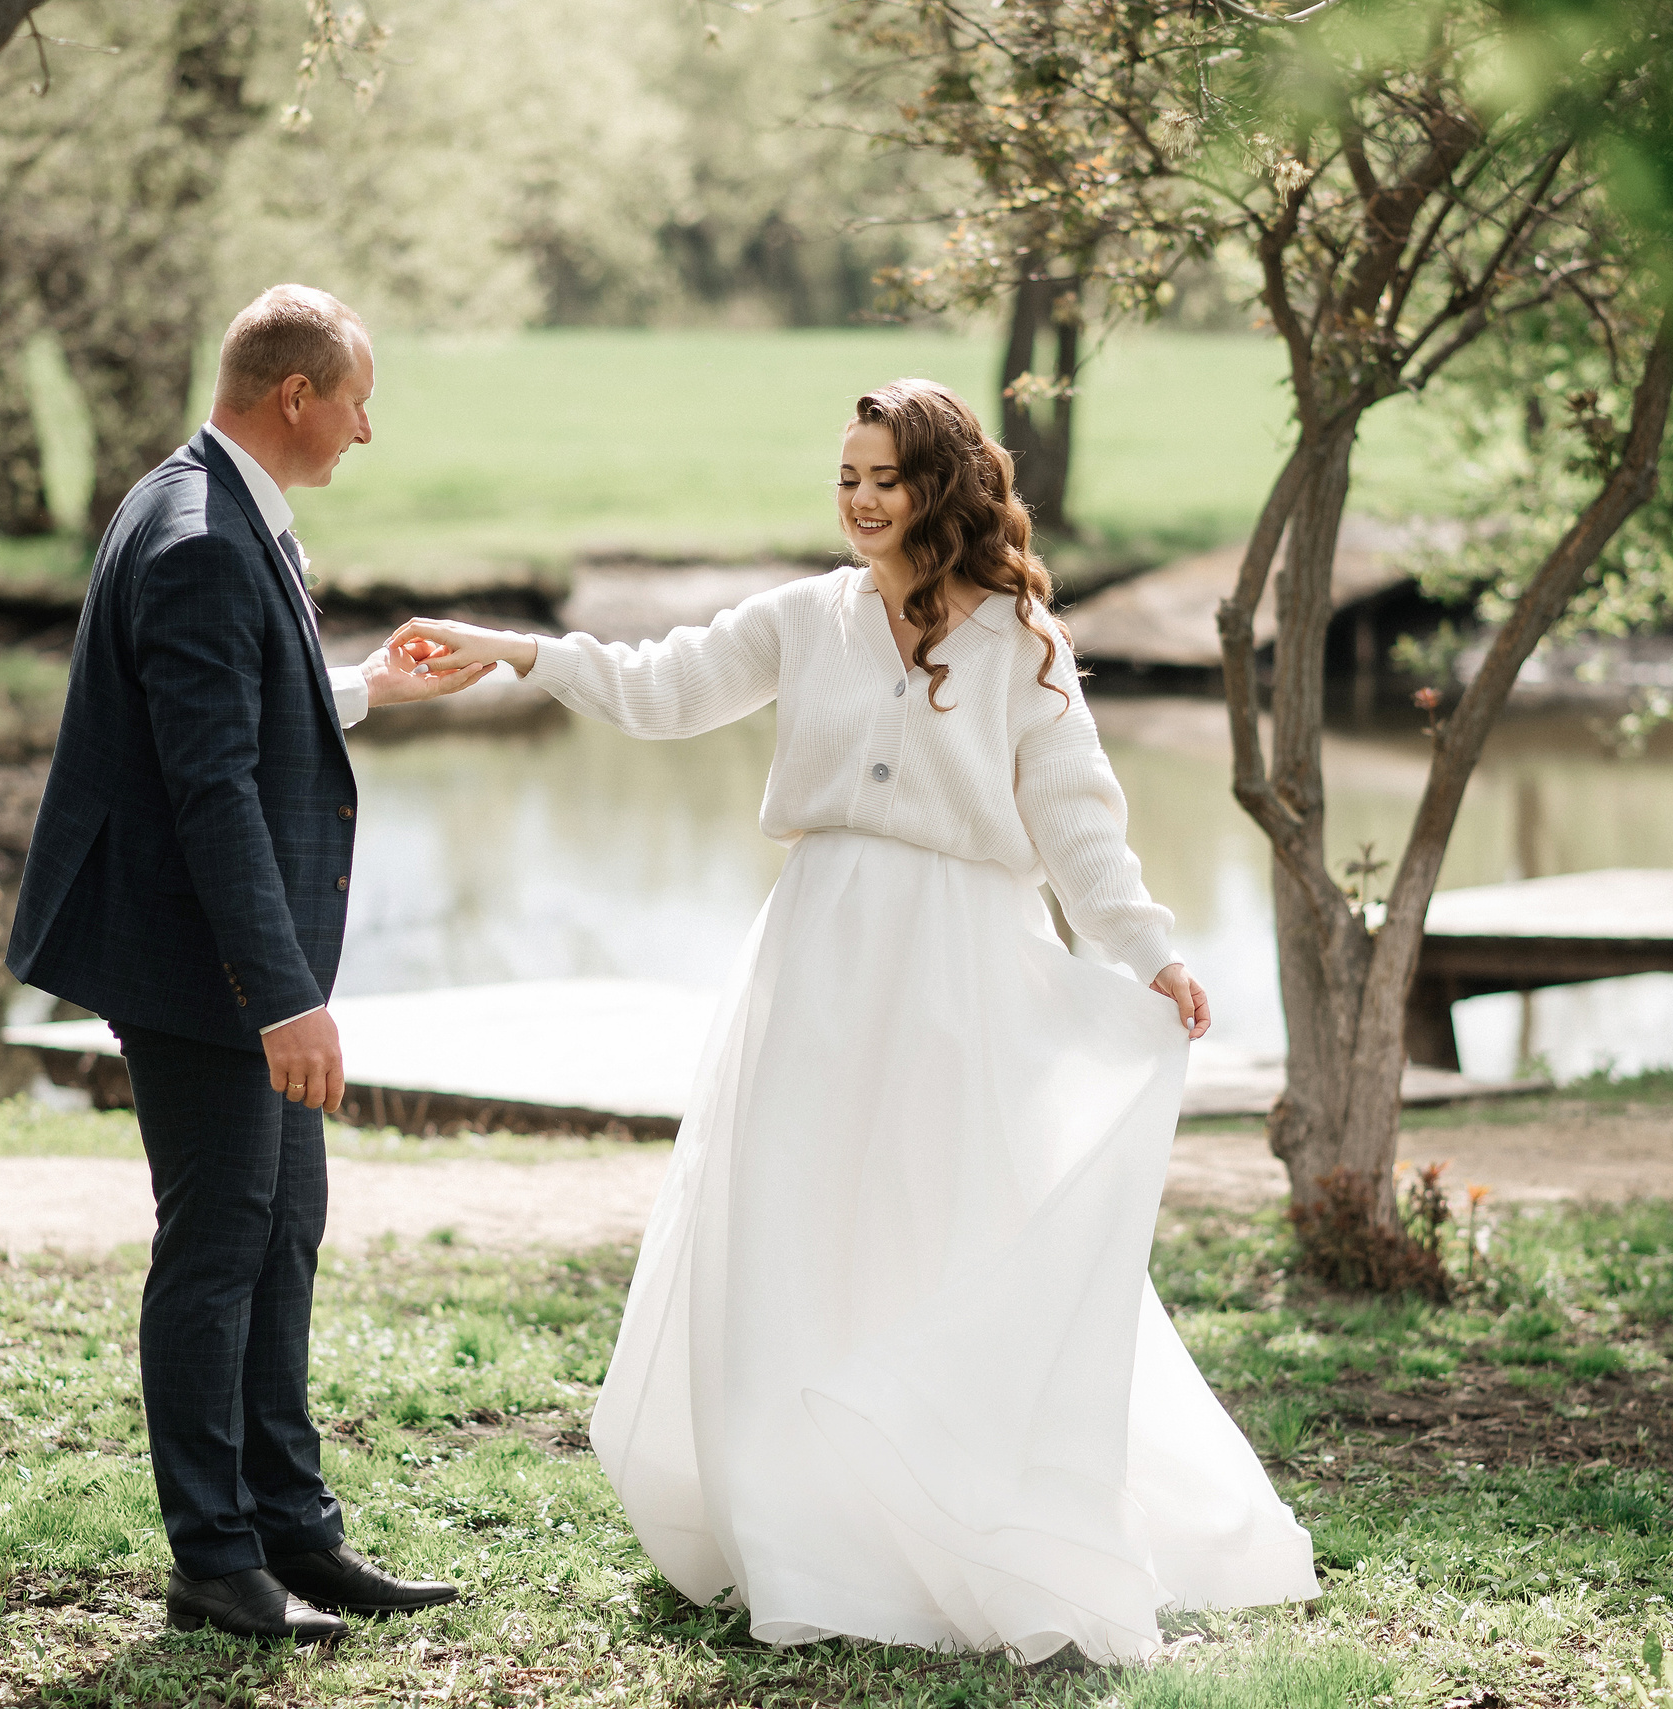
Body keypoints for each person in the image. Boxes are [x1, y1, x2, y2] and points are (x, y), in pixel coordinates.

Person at [388, 378, 1319, 1663]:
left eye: (884, 478)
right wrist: (515, 650)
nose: (861, 500)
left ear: (938, 490)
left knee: (945, 1209)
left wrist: (1148, 950)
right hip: (819, 952)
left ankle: (954, 1505)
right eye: (846, 478)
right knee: (795, 1217)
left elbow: (1075, 813)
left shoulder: (1014, 639)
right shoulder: (803, 617)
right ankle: (801, 1520)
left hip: (962, 961)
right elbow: (661, 686)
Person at [6, 285, 489, 1648]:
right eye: (356, 400)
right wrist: (282, 992)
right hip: (202, 965)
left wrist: (369, 690)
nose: (366, 429)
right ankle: (215, 1563)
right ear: (295, 397)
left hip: (213, 954)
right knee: (218, 1248)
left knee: (281, 1234)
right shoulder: (206, 534)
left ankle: (293, 1532)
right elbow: (208, 785)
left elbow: (224, 713)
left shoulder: (204, 503)